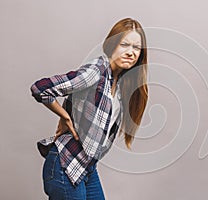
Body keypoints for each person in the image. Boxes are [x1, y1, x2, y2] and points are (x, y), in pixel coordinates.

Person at [30, 17, 148, 199]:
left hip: (87, 167)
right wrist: (65, 116)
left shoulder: (121, 84)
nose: (131, 52)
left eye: (136, 48)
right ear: (112, 44)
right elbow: (41, 88)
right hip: (65, 165)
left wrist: (67, 112)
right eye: (125, 44)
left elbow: (78, 100)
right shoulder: (96, 70)